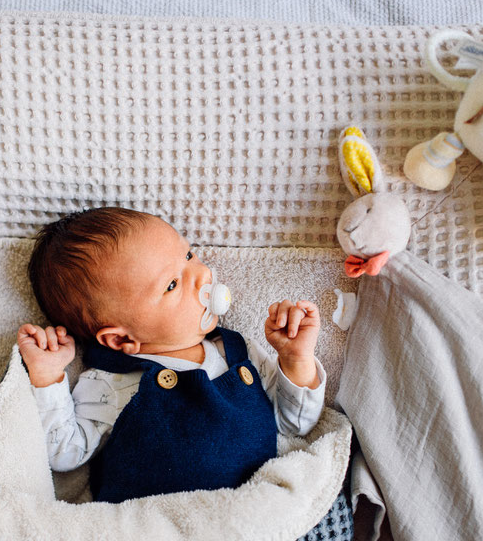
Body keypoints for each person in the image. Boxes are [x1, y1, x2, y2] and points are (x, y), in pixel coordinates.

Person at [18, 206, 326, 503]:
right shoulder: (112, 383)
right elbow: (65, 453)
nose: (203, 274)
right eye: (172, 284)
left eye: (189, 254)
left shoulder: (239, 354)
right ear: (121, 338)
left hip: (251, 512)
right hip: (161, 532)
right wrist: (48, 376)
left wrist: (296, 359)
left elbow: (294, 426)